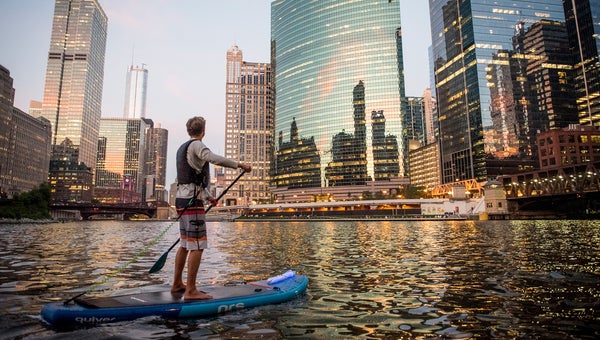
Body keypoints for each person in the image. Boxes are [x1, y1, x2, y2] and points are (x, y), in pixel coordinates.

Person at [173, 116, 252, 300]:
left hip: (182, 200)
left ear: (188, 130)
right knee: (198, 245)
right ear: (203, 131)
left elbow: (191, 179)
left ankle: (177, 283)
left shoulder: (182, 148)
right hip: (192, 203)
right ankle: (191, 290)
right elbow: (213, 158)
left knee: (185, 244)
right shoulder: (197, 145)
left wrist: (209, 197)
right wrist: (239, 164)